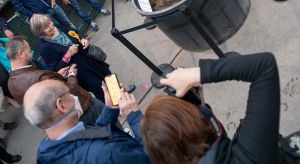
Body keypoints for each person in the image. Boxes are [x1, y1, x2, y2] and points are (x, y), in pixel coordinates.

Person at [141, 53, 280, 164]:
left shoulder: (212, 154)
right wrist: (197, 74)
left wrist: (199, 104)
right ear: (196, 125)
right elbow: (264, 66)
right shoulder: (250, 155)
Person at [23, 79, 151, 164]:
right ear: (61, 105)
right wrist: (134, 117)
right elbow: (153, 156)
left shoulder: (46, 152)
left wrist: (110, 109)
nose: (73, 97)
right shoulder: (107, 152)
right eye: (68, 94)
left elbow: (90, 136)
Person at [6, 36, 104, 125]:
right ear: (21, 53)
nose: (31, 51)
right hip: (82, 110)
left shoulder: (11, 83)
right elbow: (69, 90)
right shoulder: (38, 76)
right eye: (28, 49)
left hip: (61, 122)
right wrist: (72, 75)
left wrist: (56, 75)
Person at [30, 14, 111, 102]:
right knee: (100, 89)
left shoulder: (57, 27)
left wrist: (83, 38)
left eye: (49, 22)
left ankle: (120, 96)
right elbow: (55, 70)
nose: (51, 26)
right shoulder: (45, 48)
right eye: (46, 27)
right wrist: (67, 55)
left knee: (109, 76)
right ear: (40, 32)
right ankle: (114, 108)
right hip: (82, 72)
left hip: (91, 58)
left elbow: (75, 32)